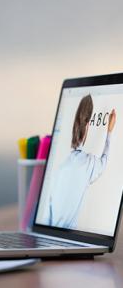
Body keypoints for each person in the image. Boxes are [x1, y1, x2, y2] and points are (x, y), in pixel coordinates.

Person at [44, 94, 116, 228]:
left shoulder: (59, 169)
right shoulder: (89, 163)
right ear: (88, 125)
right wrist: (109, 133)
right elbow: (104, 161)